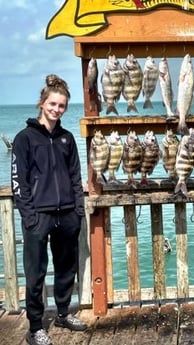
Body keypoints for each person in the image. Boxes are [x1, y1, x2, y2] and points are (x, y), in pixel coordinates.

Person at [11, 75, 87, 345]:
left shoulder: (67, 138)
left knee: (66, 268)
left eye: (62, 106)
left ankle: (64, 313)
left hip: (67, 214)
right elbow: (18, 181)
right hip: (38, 217)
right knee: (36, 272)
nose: (57, 109)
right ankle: (35, 327)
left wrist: (77, 211)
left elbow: (76, 176)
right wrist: (29, 216)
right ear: (42, 103)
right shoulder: (25, 139)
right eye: (53, 104)